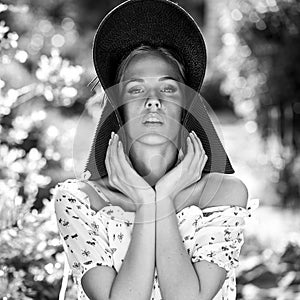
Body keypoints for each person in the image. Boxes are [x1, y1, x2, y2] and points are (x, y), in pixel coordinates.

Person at [53, 0, 259, 299]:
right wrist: (145, 201)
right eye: (136, 89)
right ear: (117, 109)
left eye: (168, 88)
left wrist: (159, 197)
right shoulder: (78, 201)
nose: (153, 100)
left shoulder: (225, 194)